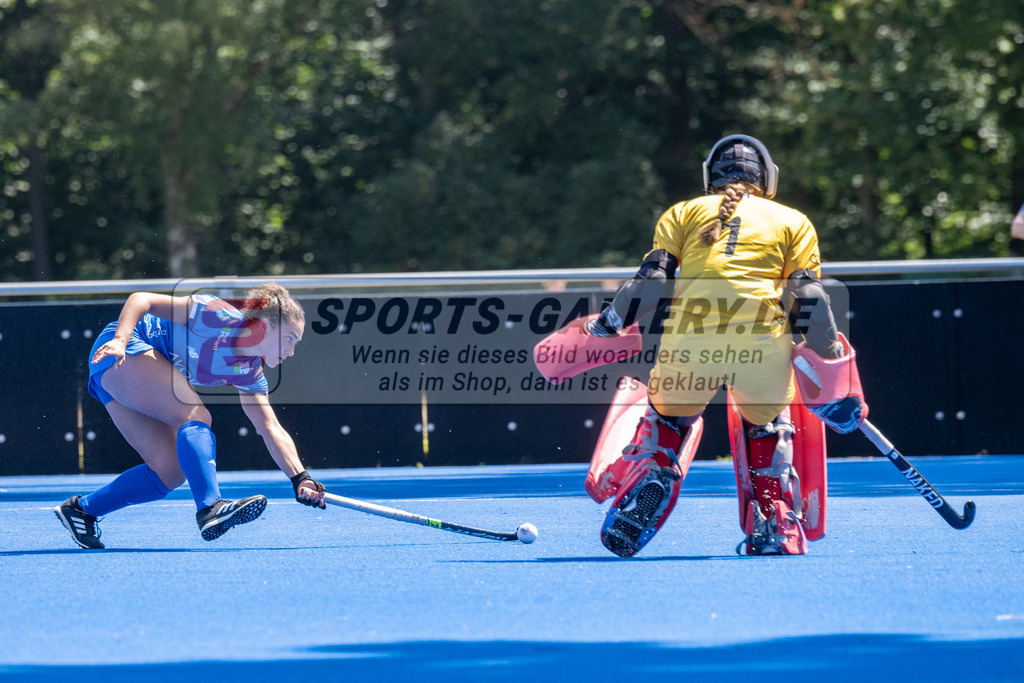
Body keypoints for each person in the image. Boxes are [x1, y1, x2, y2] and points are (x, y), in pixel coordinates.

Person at [582, 134, 860, 557]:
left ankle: (656, 468)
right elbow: (808, 298)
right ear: (768, 178)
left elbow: (651, 284)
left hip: (689, 342)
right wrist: (830, 359)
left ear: (710, 176)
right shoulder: (792, 220)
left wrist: (609, 323)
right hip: (761, 346)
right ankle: (774, 517)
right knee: (764, 428)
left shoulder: (682, 212)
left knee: (668, 420)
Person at [54, 282, 327, 549]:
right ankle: (210, 508)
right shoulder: (213, 313)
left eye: (296, 343)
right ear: (265, 326)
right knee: (195, 415)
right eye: (289, 339)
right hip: (122, 350)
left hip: (120, 375)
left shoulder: (249, 372)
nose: (291, 351)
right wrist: (120, 341)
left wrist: (300, 477)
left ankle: (82, 510)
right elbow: (141, 299)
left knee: (169, 472)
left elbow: (270, 427)